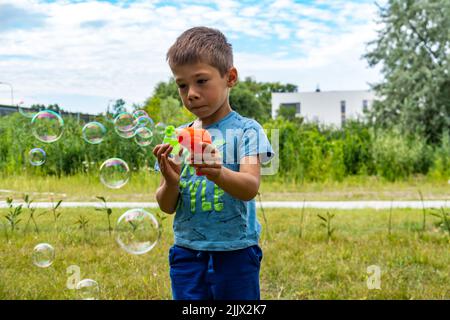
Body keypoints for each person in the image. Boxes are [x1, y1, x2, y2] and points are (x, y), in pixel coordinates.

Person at [153, 26, 274, 300]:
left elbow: (249, 187)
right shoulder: (177, 135)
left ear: (230, 77)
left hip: (236, 252)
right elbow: (166, 205)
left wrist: (218, 173)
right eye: (182, 85)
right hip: (187, 252)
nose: (191, 93)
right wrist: (171, 183)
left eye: (201, 81)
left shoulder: (247, 130)